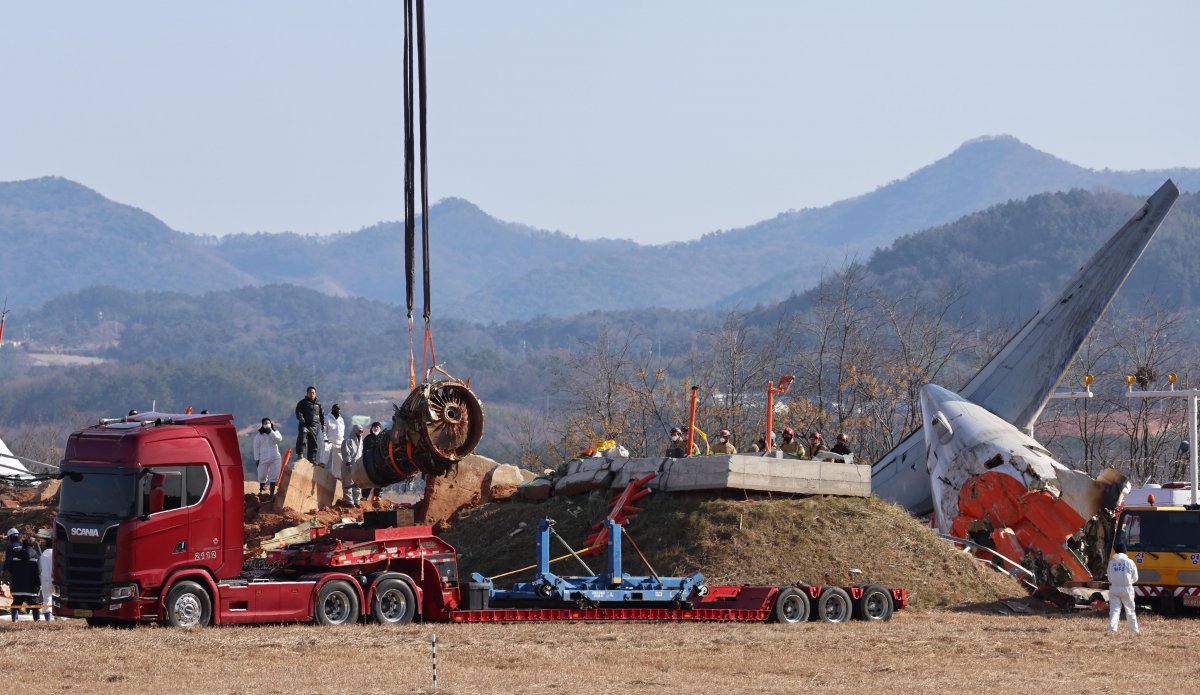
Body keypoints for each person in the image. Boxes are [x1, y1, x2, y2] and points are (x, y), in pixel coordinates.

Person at [1107, 542, 1139, 634]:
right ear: (1125, 551)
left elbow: (1109, 577)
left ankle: (1112, 630)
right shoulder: (1130, 562)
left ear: (1116, 552)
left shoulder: (1111, 562)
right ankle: (1134, 631)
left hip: (1114, 588)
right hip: (1127, 588)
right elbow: (1135, 577)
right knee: (1130, 610)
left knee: (1114, 610)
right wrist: (1128, 583)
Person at [9, 537, 41, 621]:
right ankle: (37, 622)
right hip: (32, 587)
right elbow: (38, 572)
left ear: (22, 545)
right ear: (33, 546)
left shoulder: (15, 555)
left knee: (16, 604)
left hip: (17, 586)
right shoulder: (36, 557)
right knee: (35, 606)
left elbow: (9, 568)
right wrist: (39, 584)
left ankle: (14, 620)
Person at [294, 386, 326, 465]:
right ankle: (300, 455)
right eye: (310, 393)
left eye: (313, 393)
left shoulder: (318, 403)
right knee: (302, 439)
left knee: (313, 443)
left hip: (314, 426)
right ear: (307, 393)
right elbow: (298, 411)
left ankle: (312, 460)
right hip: (304, 425)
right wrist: (301, 418)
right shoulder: (303, 402)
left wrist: (323, 424)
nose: (312, 394)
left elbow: (321, 414)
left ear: (315, 394)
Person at [253, 418, 284, 496]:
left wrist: (271, 432)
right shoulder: (259, 436)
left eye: (268, 423)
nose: (267, 424)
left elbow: (278, 440)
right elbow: (256, 448)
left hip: (275, 457)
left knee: (274, 475)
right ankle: (261, 489)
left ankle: (272, 492)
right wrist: (257, 459)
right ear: (262, 425)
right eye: (265, 423)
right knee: (262, 475)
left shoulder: (275, 432)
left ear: (271, 424)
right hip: (263, 458)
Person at [341, 425, 364, 508]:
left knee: (357, 483)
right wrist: (348, 463)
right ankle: (349, 502)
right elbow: (346, 453)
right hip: (348, 465)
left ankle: (357, 501)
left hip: (358, 466)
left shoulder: (361, 442)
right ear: (355, 430)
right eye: (359, 431)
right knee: (348, 483)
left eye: (362, 431)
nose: (361, 433)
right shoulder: (347, 441)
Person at [361, 421, 384, 502]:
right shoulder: (367, 438)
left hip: (381, 463)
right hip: (369, 462)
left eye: (378, 427)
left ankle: (378, 496)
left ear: (380, 428)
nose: (376, 428)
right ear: (372, 428)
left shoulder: (383, 438)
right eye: (374, 427)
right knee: (368, 479)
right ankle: (365, 496)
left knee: (380, 479)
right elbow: (363, 450)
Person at [36, 528, 54, 620]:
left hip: (45, 580)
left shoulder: (43, 555)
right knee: (59, 599)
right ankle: (61, 617)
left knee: (47, 599)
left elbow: (39, 569)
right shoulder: (57, 554)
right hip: (56, 580)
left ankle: (48, 618)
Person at [324, 404, 346, 476]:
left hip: (339, 441)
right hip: (329, 440)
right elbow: (323, 430)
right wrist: (325, 439)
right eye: (336, 409)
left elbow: (342, 431)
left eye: (339, 409)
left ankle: (336, 475)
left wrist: (342, 440)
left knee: (339, 458)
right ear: (332, 409)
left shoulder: (341, 419)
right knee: (325, 450)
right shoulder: (327, 418)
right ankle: (322, 463)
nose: (337, 410)